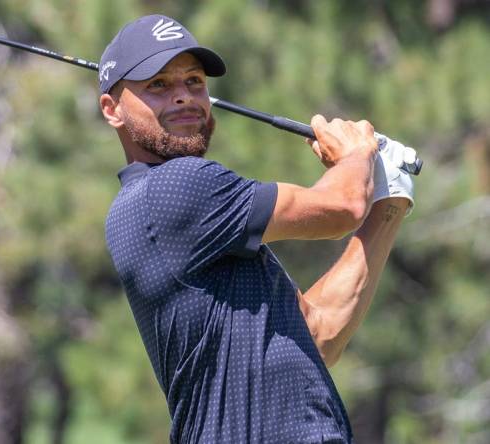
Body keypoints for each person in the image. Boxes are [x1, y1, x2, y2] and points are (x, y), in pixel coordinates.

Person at [98, 14, 415, 443]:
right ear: (112, 110)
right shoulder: (178, 185)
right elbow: (342, 207)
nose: (183, 97)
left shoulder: (185, 217)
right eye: (158, 85)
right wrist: (357, 154)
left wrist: (389, 200)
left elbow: (320, 334)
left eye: (194, 82)